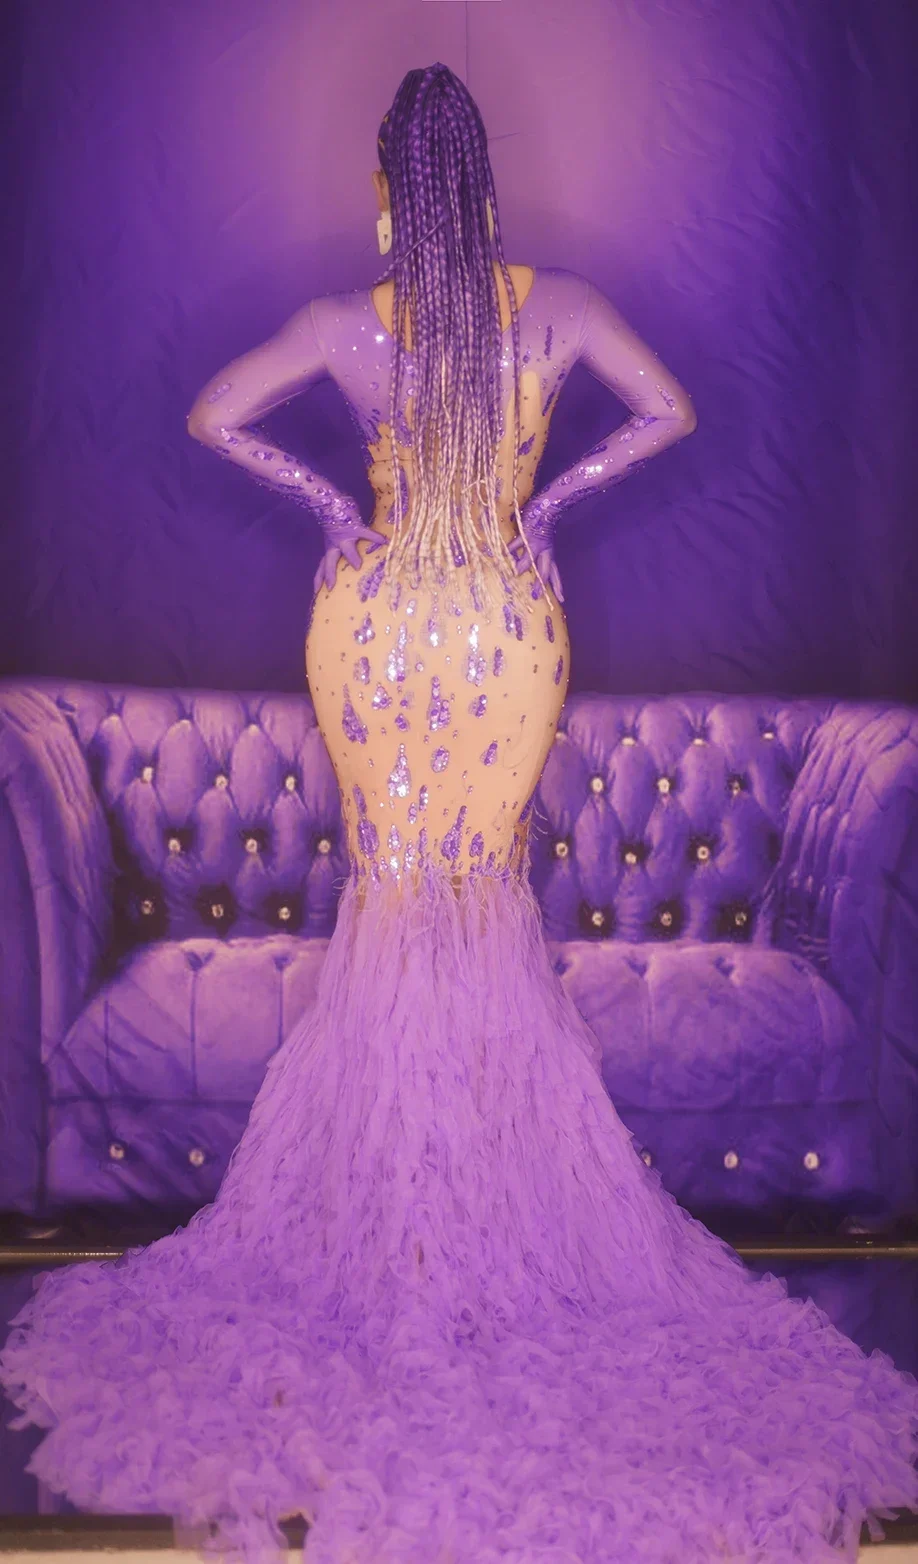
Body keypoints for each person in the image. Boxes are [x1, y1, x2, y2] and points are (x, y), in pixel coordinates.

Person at [2, 60, 916, 1564]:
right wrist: (546, 504)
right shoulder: (555, 309)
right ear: (479, 184)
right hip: (503, 617)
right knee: (472, 892)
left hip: (373, 620)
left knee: (398, 893)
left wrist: (333, 508)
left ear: (389, 188)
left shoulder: (340, 326)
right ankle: (476, 1207)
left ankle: (407, 1211)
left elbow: (217, 415)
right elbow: (669, 411)